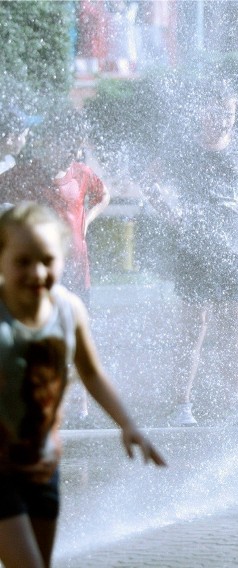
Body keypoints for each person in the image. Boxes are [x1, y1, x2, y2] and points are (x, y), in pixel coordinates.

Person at [0, 202, 165, 568]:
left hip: (44, 464)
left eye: (47, 260)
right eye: (22, 261)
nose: (37, 272)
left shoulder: (68, 309)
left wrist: (128, 424)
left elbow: (90, 373)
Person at [143, 80, 238, 426]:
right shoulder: (182, 146)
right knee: (192, 327)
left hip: (234, 247)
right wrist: (172, 216)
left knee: (232, 325)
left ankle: (235, 404)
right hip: (193, 247)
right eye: (218, 112)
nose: (225, 120)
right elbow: (149, 181)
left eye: (230, 113)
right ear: (202, 110)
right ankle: (180, 406)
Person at [34, 111, 111, 427]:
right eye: (65, 145)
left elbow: (104, 195)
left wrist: (87, 222)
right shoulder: (31, 175)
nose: (71, 153)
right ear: (47, 143)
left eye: (75, 147)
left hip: (79, 270)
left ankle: (80, 408)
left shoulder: (81, 174)